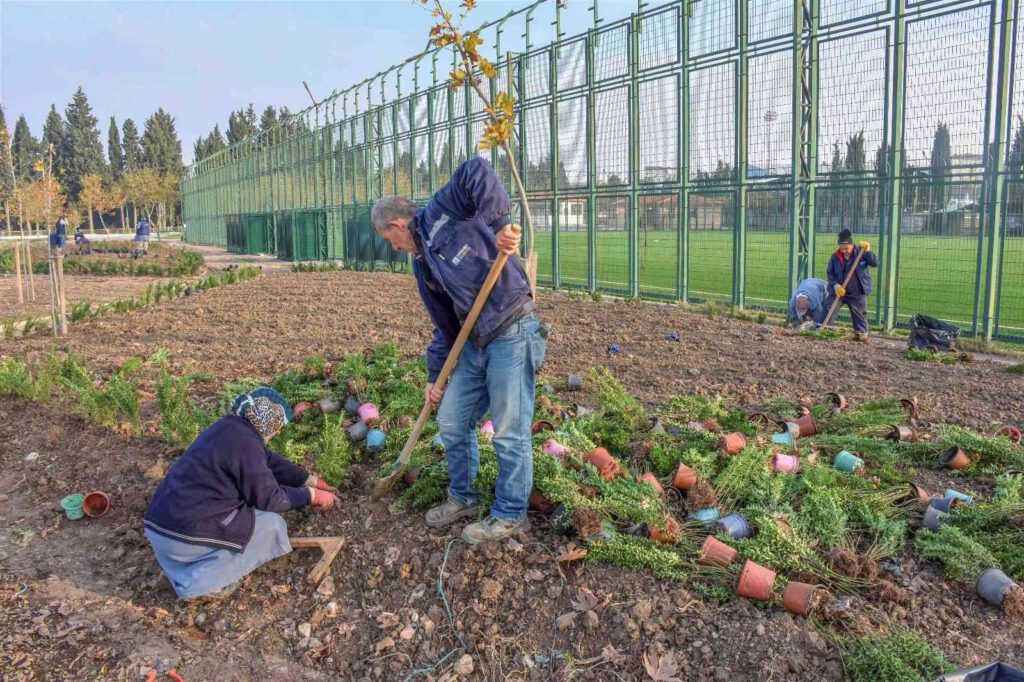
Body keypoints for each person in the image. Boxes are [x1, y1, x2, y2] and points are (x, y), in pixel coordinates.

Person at [371, 157, 547, 545]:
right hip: (474, 342)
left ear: (397, 225)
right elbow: (445, 328)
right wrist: (436, 377)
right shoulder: (424, 267)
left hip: (512, 327)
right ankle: (464, 497)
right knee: (451, 421)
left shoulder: (440, 212)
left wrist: (501, 226)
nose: (394, 247)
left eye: (390, 239)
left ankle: (510, 515)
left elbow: (475, 170)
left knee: (508, 431)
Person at [144, 387, 339, 599]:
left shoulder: (229, 428)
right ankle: (201, 583)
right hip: (184, 535)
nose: (279, 431)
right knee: (271, 527)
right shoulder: (246, 443)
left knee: (245, 517)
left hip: (161, 529)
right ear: (268, 419)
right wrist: (311, 496)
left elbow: (269, 462)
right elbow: (271, 499)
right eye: (279, 425)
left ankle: (181, 569)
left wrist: (310, 480)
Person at [824, 229, 878, 342]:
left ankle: (862, 335)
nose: (844, 251)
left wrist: (867, 251)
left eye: (846, 248)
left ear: (852, 245)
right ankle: (823, 329)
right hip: (840, 292)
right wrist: (835, 286)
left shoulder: (861, 253)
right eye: (841, 248)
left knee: (860, 314)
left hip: (857, 292)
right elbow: (830, 274)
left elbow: (875, 263)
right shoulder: (835, 257)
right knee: (828, 309)